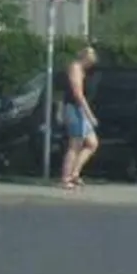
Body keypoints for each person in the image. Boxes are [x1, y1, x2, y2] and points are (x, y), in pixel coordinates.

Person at [59, 45, 100, 190]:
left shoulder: (82, 70)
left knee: (92, 143)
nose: (91, 65)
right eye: (90, 61)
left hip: (80, 109)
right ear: (84, 58)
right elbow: (78, 94)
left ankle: (75, 173)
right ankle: (66, 178)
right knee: (75, 144)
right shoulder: (75, 68)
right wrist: (90, 115)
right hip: (74, 108)